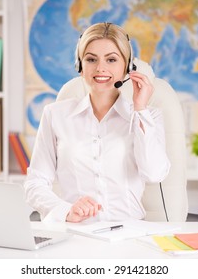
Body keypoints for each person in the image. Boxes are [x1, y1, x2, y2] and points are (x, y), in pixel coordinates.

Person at [24, 22, 170, 223]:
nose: (100, 68)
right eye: (91, 59)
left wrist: (140, 109)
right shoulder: (55, 115)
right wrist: (65, 210)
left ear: (127, 67)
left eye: (111, 59)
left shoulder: (148, 116)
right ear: (80, 67)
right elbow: (34, 184)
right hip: (77, 234)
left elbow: (154, 174)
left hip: (129, 236)